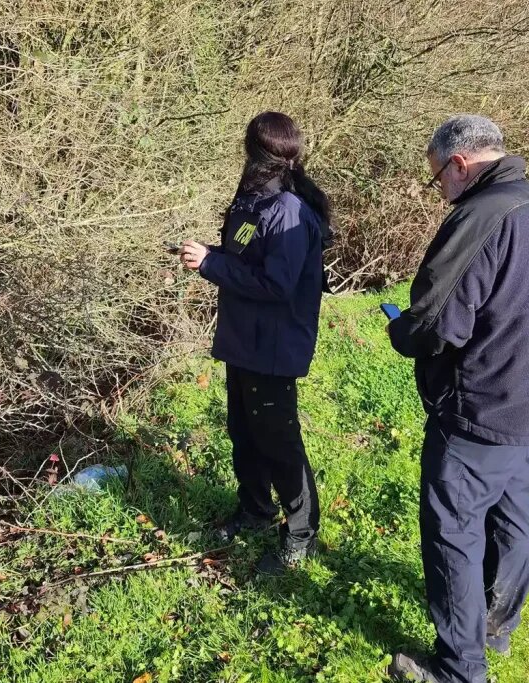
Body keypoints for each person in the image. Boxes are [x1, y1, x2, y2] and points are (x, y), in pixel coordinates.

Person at [385, 115, 529, 683]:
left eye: (437, 176)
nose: (438, 188)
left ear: (460, 165)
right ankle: (497, 627)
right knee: (512, 518)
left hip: (478, 409)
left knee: (453, 532)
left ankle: (460, 669)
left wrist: (400, 331)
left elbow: (438, 324)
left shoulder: (477, 219)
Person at [179, 111, 332, 575]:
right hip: (243, 343)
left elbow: (277, 284)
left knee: (279, 443)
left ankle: (301, 532)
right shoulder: (252, 203)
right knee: (244, 434)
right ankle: (254, 511)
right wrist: (211, 255)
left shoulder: (287, 210)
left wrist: (211, 265)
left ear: (256, 153)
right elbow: (246, 257)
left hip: (273, 349)